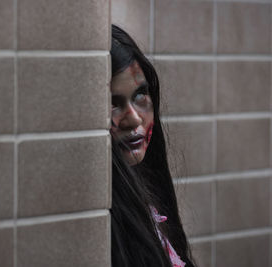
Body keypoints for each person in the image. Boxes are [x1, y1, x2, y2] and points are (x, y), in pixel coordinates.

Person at [110, 25, 196, 267]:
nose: (134, 119)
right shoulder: (99, 219)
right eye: (113, 103)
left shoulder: (146, 203)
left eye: (140, 96)